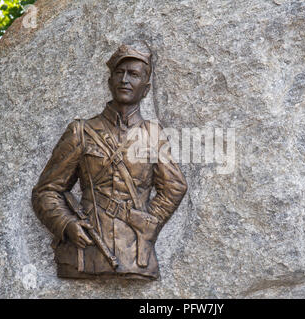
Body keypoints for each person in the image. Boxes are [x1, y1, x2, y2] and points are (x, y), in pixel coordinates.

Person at [31, 44, 188, 280]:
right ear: (110, 80)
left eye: (133, 75)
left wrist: (146, 223)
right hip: (86, 253)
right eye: (119, 72)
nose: (125, 80)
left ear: (145, 89)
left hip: (135, 256)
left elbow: (175, 187)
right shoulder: (81, 132)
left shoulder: (153, 135)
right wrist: (66, 224)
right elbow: (47, 190)